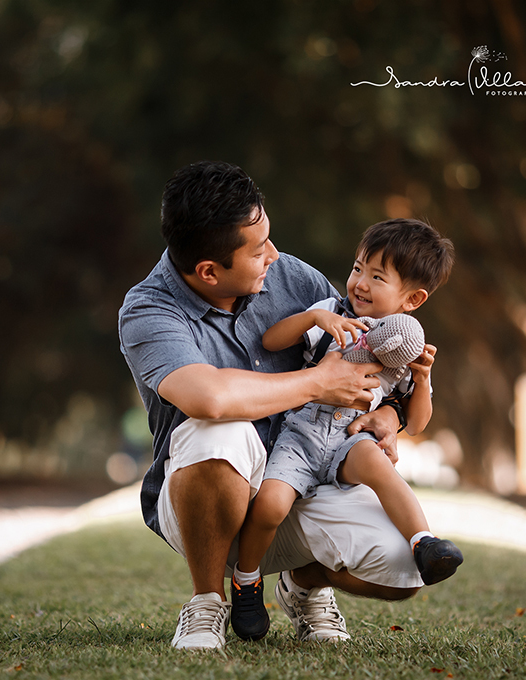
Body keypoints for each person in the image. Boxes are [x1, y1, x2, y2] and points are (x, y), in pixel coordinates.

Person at [118, 161, 425, 651]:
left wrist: (394, 414)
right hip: (202, 503)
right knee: (219, 429)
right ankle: (205, 603)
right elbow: (210, 397)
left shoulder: (293, 278)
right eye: (258, 250)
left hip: (297, 483)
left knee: (404, 569)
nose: (274, 256)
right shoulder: (148, 310)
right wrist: (316, 383)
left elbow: (363, 355)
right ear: (208, 271)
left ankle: (303, 586)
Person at [229, 219, 462, 642]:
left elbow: (418, 420)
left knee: (377, 462)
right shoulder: (333, 315)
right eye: (358, 269)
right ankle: (247, 582)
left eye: (377, 276)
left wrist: (423, 380)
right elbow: (270, 342)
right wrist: (312, 316)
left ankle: (423, 541)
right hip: (302, 435)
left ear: (412, 299)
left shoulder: (406, 350)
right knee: (271, 505)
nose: (360, 283)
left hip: (350, 440)